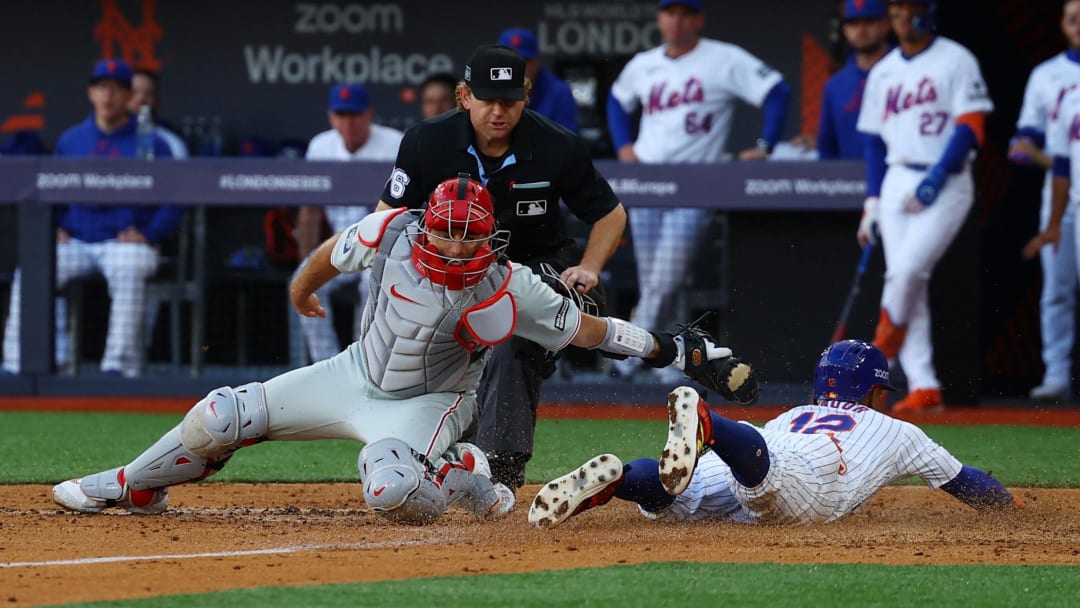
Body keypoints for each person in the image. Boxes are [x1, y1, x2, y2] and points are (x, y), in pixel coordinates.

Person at [51, 175, 753, 526]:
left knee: (389, 489)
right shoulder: (391, 231)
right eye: (445, 231)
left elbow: (596, 334)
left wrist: (675, 349)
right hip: (352, 371)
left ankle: (469, 475)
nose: (454, 244)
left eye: (467, 236)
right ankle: (137, 486)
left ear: (488, 238)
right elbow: (333, 250)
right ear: (427, 225)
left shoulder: (513, 286)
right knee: (221, 415)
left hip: (432, 401)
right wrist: (302, 288)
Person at [373, 44, 628, 488]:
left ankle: (501, 470)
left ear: (526, 95)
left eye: (509, 100)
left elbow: (610, 215)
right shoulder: (426, 141)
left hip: (541, 267)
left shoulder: (557, 144)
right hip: (453, 271)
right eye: (487, 99)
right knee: (434, 351)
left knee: (511, 329)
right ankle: (438, 456)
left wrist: (589, 266)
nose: (498, 111)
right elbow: (387, 218)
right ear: (464, 96)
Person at [529, 339, 1021, 528]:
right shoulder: (899, 429)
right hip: (803, 473)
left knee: (681, 497)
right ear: (874, 391)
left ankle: (620, 480)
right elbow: (968, 482)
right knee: (770, 489)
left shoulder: (795, 413)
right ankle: (709, 423)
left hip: (765, 445)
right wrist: (1007, 505)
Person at [606, 0, 791, 383]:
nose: (676, 21)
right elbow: (616, 101)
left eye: (685, 13)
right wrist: (624, 146)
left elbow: (777, 90)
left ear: (698, 19)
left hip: (695, 184)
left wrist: (766, 143)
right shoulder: (644, 63)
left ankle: (628, 354)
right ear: (659, 18)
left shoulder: (723, 58)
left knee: (663, 279)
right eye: (670, 12)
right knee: (656, 278)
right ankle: (672, 363)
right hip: (649, 184)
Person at [854, 0, 992, 411]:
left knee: (907, 272)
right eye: (895, 10)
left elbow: (972, 126)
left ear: (926, 13)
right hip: (897, 176)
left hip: (946, 179)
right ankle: (924, 383)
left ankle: (874, 363)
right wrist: (873, 200)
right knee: (909, 281)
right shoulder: (884, 70)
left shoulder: (956, 58)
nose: (901, 18)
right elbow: (874, 142)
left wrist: (938, 174)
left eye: (907, 9)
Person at [2, 58, 178, 378]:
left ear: (128, 96)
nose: (108, 96)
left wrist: (150, 233)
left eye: (116, 89)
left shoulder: (152, 142)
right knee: (34, 267)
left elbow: (175, 198)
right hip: (78, 241)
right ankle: (25, 363)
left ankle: (118, 367)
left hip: (123, 242)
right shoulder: (72, 140)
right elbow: (48, 190)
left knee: (129, 265)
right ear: (91, 94)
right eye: (101, 88)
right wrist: (52, 229)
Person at [294, 83, 403, 362]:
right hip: (337, 245)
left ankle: (363, 361)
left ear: (369, 114)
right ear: (331, 116)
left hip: (381, 247)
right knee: (301, 279)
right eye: (341, 115)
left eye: (354, 115)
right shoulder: (321, 145)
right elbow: (309, 211)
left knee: (371, 282)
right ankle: (325, 364)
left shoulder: (395, 143)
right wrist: (308, 258)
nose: (348, 123)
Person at [1008, 0, 1080, 403]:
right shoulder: (1049, 76)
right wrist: (1030, 152)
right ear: (1062, 25)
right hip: (1063, 194)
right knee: (1057, 287)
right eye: (1073, 18)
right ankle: (1056, 374)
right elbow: (1028, 140)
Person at [817, 0, 893, 160]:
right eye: (853, 23)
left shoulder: (908, 72)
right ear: (844, 29)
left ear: (886, 24)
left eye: (869, 22)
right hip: (850, 181)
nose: (861, 30)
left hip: (900, 177)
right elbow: (827, 147)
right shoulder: (835, 85)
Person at [498, 27, 579, 134]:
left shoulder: (559, 92)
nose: (515, 67)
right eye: (508, 60)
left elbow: (567, 143)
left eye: (523, 61)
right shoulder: (486, 89)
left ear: (537, 62)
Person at [127, 67, 189, 159]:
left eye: (149, 93)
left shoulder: (171, 141)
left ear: (157, 99)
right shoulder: (107, 134)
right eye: (134, 92)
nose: (141, 99)